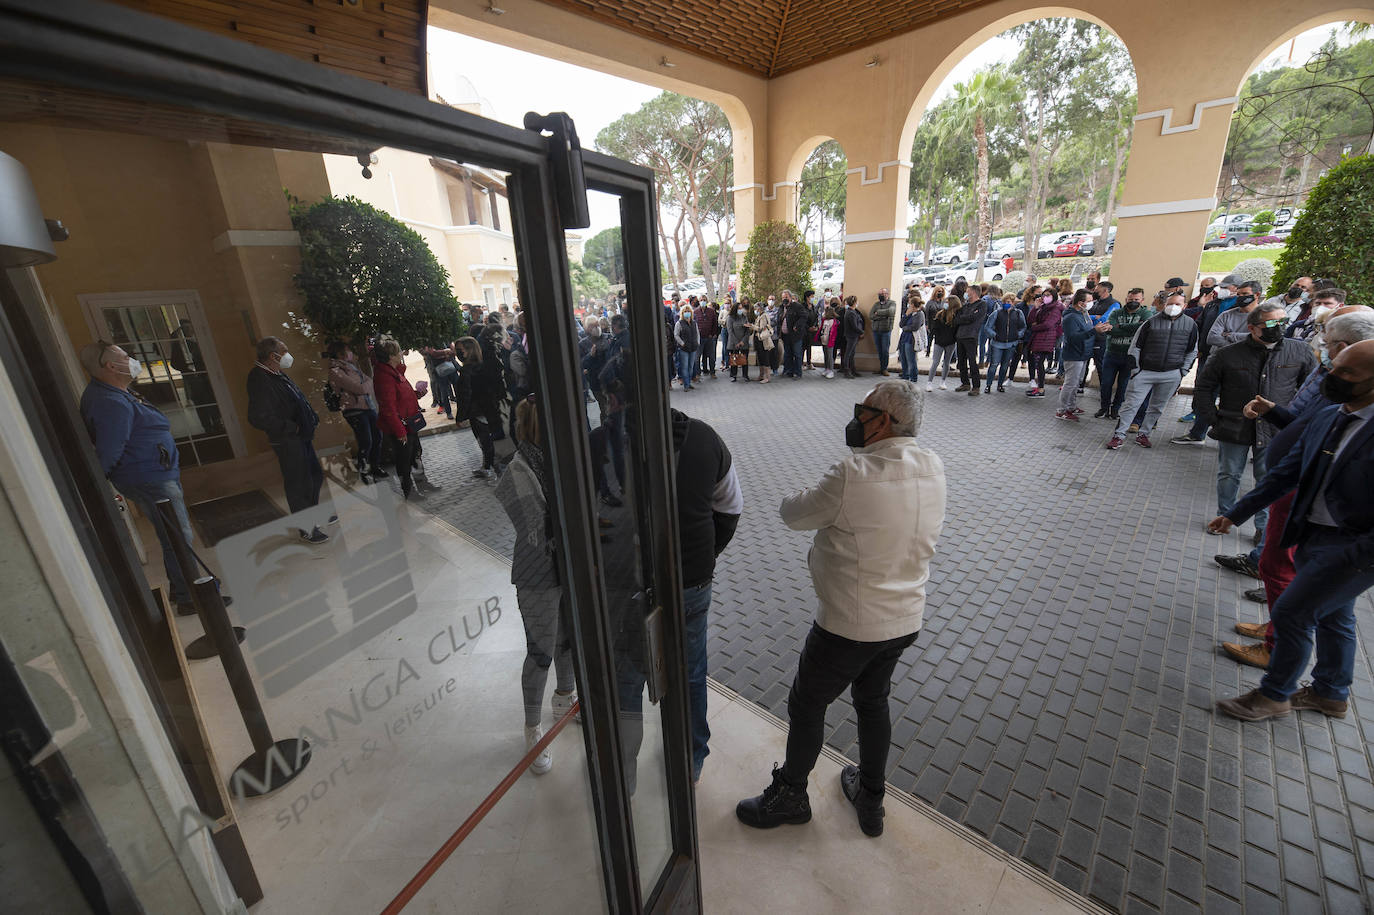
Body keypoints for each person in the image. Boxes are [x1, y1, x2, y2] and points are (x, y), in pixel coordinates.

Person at [736, 381, 945, 837]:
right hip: (905, 617)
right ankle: (871, 798)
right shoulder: (932, 465)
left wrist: (812, 489)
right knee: (872, 701)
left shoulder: (853, 473)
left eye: (862, 410)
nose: (855, 418)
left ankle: (791, 794)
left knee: (807, 703)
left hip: (850, 625)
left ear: (883, 421)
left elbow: (793, 514)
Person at [1212, 340, 1374, 722]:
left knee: (1293, 613)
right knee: (1336, 616)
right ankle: (1330, 693)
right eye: (1334, 367)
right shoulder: (1333, 415)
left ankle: (1274, 695)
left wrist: (1356, 557)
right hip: (1314, 534)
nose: (1333, 376)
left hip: (1353, 548)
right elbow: (1287, 471)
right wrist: (1238, 513)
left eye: (1347, 373)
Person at [79, 341, 232, 614]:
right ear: (111, 366)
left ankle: (182, 590)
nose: (132, 359)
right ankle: (190, 598)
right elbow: (109, 450)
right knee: (179, 535)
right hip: (148, 479)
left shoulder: (118, 392)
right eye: (126, 356)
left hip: (154, 474)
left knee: (172, 535)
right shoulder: (109, 402)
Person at [1193, 304, 1316, 567]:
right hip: (1234, 426)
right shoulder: (1229, 354)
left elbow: (1309, 393)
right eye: (1271, 325)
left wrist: (1292, 423)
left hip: (1275, 430)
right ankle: (1224, 517)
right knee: (1229, 473)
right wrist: (1213, 418)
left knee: (1268, 479)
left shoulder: (1300, 351)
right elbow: (1204, 387)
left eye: (1282, 323)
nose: (1279, 329)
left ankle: (1262, 527)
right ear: (1252, 328)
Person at [494, 397, 578, 773]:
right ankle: (532, 727)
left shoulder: (563, 461)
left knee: (569, 641)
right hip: (538, 575)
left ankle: (565, 698)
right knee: (542, 650)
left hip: (569, 568)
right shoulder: (517, 470)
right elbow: (536, 530)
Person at [670, 407, 742, 782]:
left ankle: (624, 764)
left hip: (629, 580)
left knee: (627, 672)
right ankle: (691, 759)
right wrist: (707, 549)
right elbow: (731, 507)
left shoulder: (603, 442)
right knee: (692, 669)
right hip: (692, 578)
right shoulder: (705, 438)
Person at [247, 336, 329, 543]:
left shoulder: (277, 374)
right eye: (283, 351)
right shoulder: (259, 379)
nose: (287, 354)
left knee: (314, 477)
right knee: (299, 483)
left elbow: (296, 399)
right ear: (272, 356)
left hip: (301, 437)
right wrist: (293, 427)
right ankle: (306, 527)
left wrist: (310, 417)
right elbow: (258, 417)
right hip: (287, 440)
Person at [1105, 292, 1198, 450]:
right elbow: (1135, 346)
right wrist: (1136, 370)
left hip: (1171, 373)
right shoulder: (1150, 322)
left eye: (1177, 304)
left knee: (1157, 407)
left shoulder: (1190, 325)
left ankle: (1144, 434)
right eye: (1170, 303)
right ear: (1164, 305)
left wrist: (1182, 372)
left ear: (1185, 306)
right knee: (1131, 405)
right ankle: (1119, 435)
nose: (1173, 307)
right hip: (1145, 372)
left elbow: (1192, 350)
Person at [327, 342, 387, 483]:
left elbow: (367, 382)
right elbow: (359, 388)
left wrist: (365, 386)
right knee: (366, 441)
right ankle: (364, 471)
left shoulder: (352, 366)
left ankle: (375, 466)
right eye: (348, 351)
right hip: (353, 409)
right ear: (340, 353)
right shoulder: (335, 370)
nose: (351, 353)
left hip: (368, 406)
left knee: (377, 437)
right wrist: (365, 386)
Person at [456, 335, 508, 478]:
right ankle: (490, 466)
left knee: (484, 441)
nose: (458, 353)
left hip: (478, 411)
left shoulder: (467, 371)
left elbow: (465, 396)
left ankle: (490, 468)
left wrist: (460, 417)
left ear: (469, 350)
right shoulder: (484, 366)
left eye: (460, 350)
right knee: (487, 440)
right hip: (488, 408)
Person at [1097, 286, 1151, 420]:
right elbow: (1109, 329)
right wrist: (1128, 329)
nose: (1133, 301)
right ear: (1126, 299)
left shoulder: (1146, 314)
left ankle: (1116, 409)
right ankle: (1104, 408)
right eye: (1130, 299)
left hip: (1130, 356)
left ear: (1142, 300)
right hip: (1112, 353)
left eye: (1136, 299)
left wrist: (1119, 327)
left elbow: (1142, 327)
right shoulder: (1116, 312)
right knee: (1106, 383)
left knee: (1123, 385)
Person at [1054, 294, 1096, 421]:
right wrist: (1094, 331)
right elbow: (1073, 337)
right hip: (1074, 355)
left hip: (1083, 354)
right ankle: (1061, 410)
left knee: (1076, 382)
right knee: (1070, 384)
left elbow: (1087, 330)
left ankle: (1071, 406)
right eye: (1088, 301)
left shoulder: (1084, 314)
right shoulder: (1071, 317)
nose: (1091, 303)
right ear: (1080, 302)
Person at [982, 290, 1024, 394]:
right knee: (994, 365)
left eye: (1009, 302)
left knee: (1005, 366)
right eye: (1005, 301)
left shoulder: (1018, 313)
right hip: (997, 343)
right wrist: (994, 335)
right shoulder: (997, 313)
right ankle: (988, 385)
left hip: (1011, 343)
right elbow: (988, 327)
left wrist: (1017, 335)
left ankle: (1000, 384)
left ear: (1013, 302)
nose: (1007, 304)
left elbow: (1023, 327)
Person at [1025, 287, 1064, 397]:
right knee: (1038, 363)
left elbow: (1048, 324)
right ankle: (1039, 387)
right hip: (1039, 337)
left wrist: (1034, 327)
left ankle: (1041, 389)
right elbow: (1030, 321)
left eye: (1048, 295)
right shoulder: (1043, 307)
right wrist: (1035, 308)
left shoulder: (1056, 308)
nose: (1045, 297)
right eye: (1044, 295)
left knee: (1040, 363)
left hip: (1046, 338)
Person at [953, 287, 989, 395]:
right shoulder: (966, 306)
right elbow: (957, 319)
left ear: (973, 293)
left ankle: (976, 386)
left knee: (972, 362)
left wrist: (965, 318)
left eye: (968, 292)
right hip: (960, 336)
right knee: (961, 362)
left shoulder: (981, 305)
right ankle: (965, 383)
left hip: (971, 336)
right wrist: (965, 318)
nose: (966, 293)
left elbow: (973, 318)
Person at [927, 294, 960, 391]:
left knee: (946, 362)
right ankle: (929, 382)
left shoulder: (956, 317)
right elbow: (934, 329)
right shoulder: (940, 314)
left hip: (950, 343)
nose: (945, 304)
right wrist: (932, 340)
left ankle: (943, 381)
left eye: (947, 302)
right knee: (935, 362)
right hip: (939, 342)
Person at [781, 292, 811, 380]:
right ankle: (788, 371)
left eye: (786, 297)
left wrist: (797, 325)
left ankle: (798, 372)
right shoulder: (782, 307)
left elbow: (804, 316)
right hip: (785, 335)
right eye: (783, 297)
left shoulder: (797, 306)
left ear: (790, 297)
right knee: (788, 354)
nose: (784, 299)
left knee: (797, 354)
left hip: (795, 335)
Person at [897, 295, 925, 383]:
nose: (908, 305)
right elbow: (901, 324)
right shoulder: (909, 313)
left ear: (913, 304)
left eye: (909, 304)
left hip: (911, 340)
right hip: (904, 338)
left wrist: (905, 328)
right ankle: (905, 375)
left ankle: (913, 377)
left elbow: (914, 327)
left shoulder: (919, 314)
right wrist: (906, 315)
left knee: (911, 359)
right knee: (903, 357)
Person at [726, 300, 756, 382]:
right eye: (739, 308)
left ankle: (745, 375)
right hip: (733, 342)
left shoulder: (744, 317)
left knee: (744, 359)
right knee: (734, 359)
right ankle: (733, 375)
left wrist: (743, 341)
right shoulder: (730, 318)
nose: (740, 310)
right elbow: (730, 331)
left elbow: (747, 331)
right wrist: (736, 342)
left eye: (741, 308)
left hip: (744, 342)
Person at [870, 288, 897, 376]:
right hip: (876, 331)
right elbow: (871, 315)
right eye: (880, 293)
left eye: (883, 293)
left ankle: (884, 369)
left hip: (886, 331)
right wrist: (883, 316)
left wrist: (878, 313)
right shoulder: (876, 304)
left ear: (887, 294)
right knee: (879, 350)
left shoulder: (892, 303)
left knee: (885, 350)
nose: (881, 295)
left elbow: (891, 312)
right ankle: (881, 368)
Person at [673, 305, 701, 390]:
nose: (687, 313)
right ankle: (686, 385)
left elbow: (697, 333)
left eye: (688, 311)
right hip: (684, 349)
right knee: (684, 367)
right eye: (685, 312)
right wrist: (682, 343)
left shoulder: (694, 322)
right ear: (682, 313)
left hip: (693, 348)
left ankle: (688, 383)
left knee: (691, 367)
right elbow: (676, 335)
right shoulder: (679, 323)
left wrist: (697, 342)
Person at [694, 296, 720, 379]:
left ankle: (712, 372)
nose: (703, 301)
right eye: (701, 300)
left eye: (704, 300)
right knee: (697, 357)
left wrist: (713, 334)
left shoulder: (711, 311)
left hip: (709, 338)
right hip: (699, 338)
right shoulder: (695, 311)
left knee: (711, 356)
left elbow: (715, 323)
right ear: (699, 301)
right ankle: (698, 373)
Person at [841, 295, 865, 379]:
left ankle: (852, 370)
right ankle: (847, 371)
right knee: (848, 353)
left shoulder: (851, 312)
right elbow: (854, 326)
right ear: (854, 303)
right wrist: (861, 332)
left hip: (852, 335)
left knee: (851, 353)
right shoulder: (851, 313)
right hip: (852, 335)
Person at [753, 301, 777, 384]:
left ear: (759, 308)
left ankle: (767, 377)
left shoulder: (764, 316)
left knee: (765, 358)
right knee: (760, 358)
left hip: (763, 340)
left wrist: (752, 326)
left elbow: (761, 328)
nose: (755, 310)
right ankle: (761, 375)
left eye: (756, 308)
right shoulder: (759, 316)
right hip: (758, 339)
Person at [818, 300, 840, 379]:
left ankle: (831, 370)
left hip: (829, 341)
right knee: (826, 355)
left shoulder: (832, 322)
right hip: (824, 340)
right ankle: (826, 368)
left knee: (830, 356)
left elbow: (832, 333)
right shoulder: (825, 321)